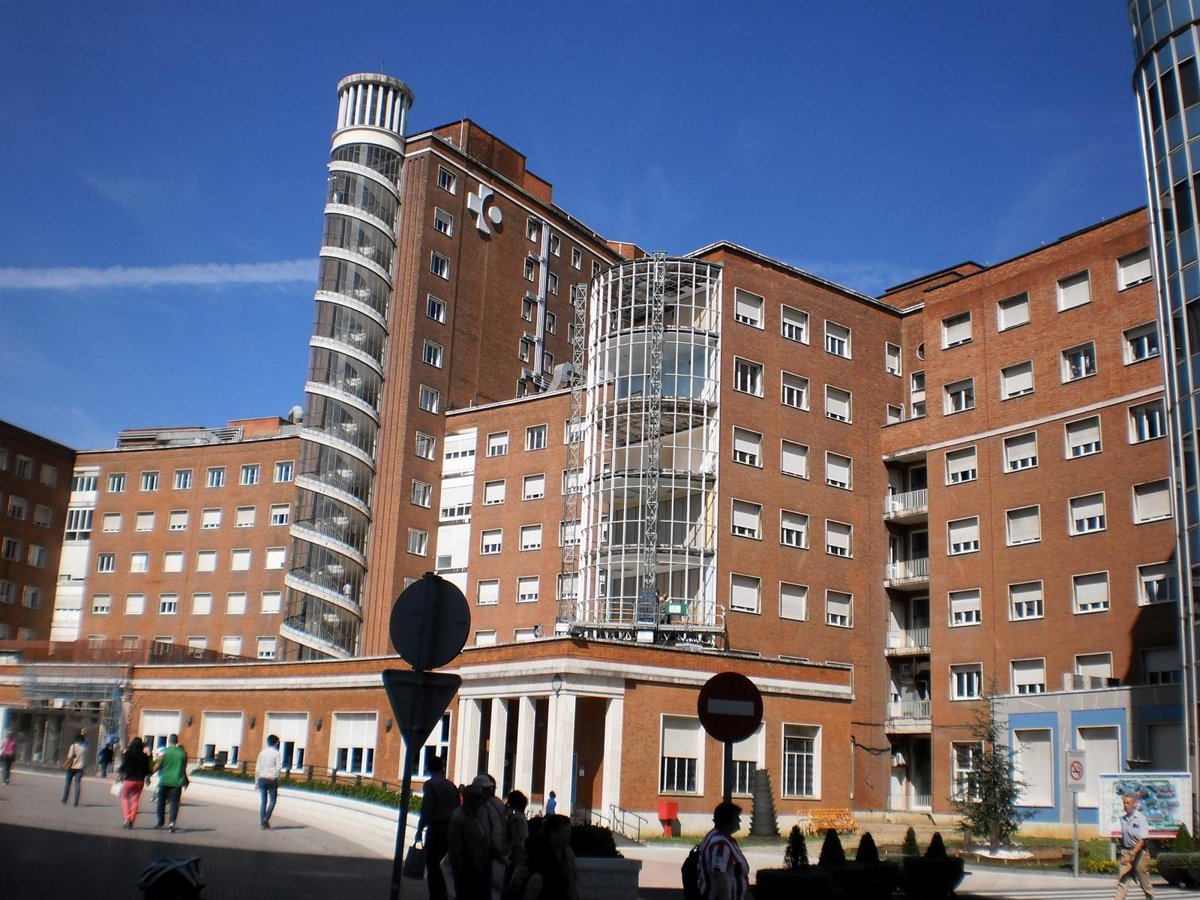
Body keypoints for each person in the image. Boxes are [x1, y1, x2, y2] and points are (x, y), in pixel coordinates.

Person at [415, 755, 461, 900]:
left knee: (433, 865)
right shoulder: (451, 786)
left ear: (428, 768)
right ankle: (444, 893)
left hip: (437, 830)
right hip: (451, 830)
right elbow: (458, 809)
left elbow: (426, 809)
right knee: (445, 866)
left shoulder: (430, 785)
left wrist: (419, 830)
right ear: (442, 767)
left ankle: (437, 895)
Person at [698, 802, 750, 900]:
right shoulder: (720, 844)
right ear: (727, 821)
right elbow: (719, 875)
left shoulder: (717, 836)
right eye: (736, 818)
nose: (739, 821)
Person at [448, 783, 491, 900]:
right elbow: (455, 847)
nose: (480, 800)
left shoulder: (480, 814)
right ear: (467, 798)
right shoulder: (458, 817)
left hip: (481, 866)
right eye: (476, 797)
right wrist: (461, 867)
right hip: (467, 869)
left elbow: (484, 836)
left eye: (480, 797)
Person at [522, 814, 578, 900]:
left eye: (570, 832)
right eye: (566, 832)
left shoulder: (569, 854)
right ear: (553, 833)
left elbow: (573, 880)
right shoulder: (538, 852)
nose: (569, 836)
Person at [474, 774, 508, 900]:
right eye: (486, 789)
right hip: (483, 852)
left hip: (486, 851)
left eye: (489, 788)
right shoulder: (495, 803)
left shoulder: (485, 806)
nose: (489, 791)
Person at [1116, 793, 1154, 900]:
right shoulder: (1122, 818)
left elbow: (1143, 840)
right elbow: (1122, 835)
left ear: (1134, 804)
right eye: (1124, 803)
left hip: (1140, 852)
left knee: (1144, 881)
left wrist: (1132, 855)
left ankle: (1150, 897)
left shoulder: (1141, 818)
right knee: (1123, 880)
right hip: (1126, 851)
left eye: (1128, 803)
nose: (1125, 805)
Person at [154, 733, 188, 832]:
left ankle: (160, 822)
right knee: (174, 803)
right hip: (176, 782)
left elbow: (156, 766)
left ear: (168, 741)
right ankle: (172, 823)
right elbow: (184, 767)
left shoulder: (163, 752)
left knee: (161, 802)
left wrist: (149, 773)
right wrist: (185, 780)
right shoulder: (182, 753)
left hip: (164, 781)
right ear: (176, 742)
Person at [117, 737, 153, 828]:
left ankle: (127, 818)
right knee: (135, 800)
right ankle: (132, 819)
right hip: (140, 781)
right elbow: (147, 770)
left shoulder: (128, 754)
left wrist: (120, 773)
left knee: (125, 798)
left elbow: (123, 766)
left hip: (129, 779)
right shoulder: (144, 756)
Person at [504, 789, 530, 890]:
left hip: (517, 850)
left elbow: (517, 835)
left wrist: (509, 847)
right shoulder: (521, 816)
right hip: (521, 849)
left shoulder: (516, 818)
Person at [255, 733, 283, 829]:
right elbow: (278, 768)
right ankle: (266, 819)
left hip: (262, 778)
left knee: (263, 801)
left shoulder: (262, 753)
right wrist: (277, 777)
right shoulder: (276, 753)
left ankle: (263, 822)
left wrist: (256, 781)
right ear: (275, 743)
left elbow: (257, 768)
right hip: (271, 779)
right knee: (273, 801)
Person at [61, 730, 87, 806]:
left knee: (68, 783)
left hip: (71, 767)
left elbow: (69, 756)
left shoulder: (73, 746)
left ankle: (65, 799)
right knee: (77, 784)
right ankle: (76, 801)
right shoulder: (84, 748)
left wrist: (65, 764)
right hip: (80, 768)